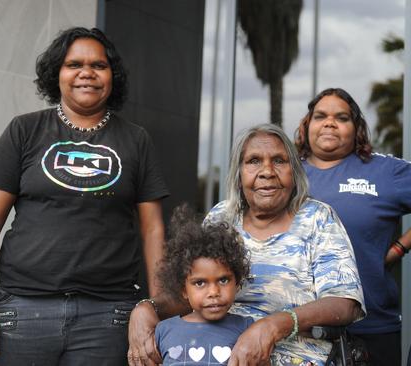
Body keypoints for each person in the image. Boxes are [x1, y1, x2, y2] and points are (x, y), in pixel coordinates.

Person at [0, 27, 169, 365]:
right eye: (74, 64)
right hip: (22, 310)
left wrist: (157, 306)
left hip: (108, 315)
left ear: (112, 76)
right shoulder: (24, 130)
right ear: (56, 74)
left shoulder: (136, 140)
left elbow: (153, 230)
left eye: (98, 66)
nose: (86, 73)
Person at [128, 123, 365, 366]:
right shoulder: (222, 217)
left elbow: (345, 303)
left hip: (296, 355)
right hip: (213, 352)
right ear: (239, 173)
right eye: (253, 161)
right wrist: (146, 308)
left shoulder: (318, 218)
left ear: (293, 172)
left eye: (279, 161)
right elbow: (193, 290)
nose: (267, 172)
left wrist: (273, 326)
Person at [295, 87, 411, 366]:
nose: (330, 122)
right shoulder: (285, 173)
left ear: (357, 129)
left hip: (372, 329)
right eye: (320, 116)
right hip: (297, 332)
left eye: (341, 117)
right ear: (307, 125)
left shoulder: (384, 172)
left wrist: (399, 248)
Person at [154, 205, 254, 365]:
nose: (214, 292)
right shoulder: (163, 330)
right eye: (200, 283)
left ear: (237, 282)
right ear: (183, 289)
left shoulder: (248, 329)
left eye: (223, 280)